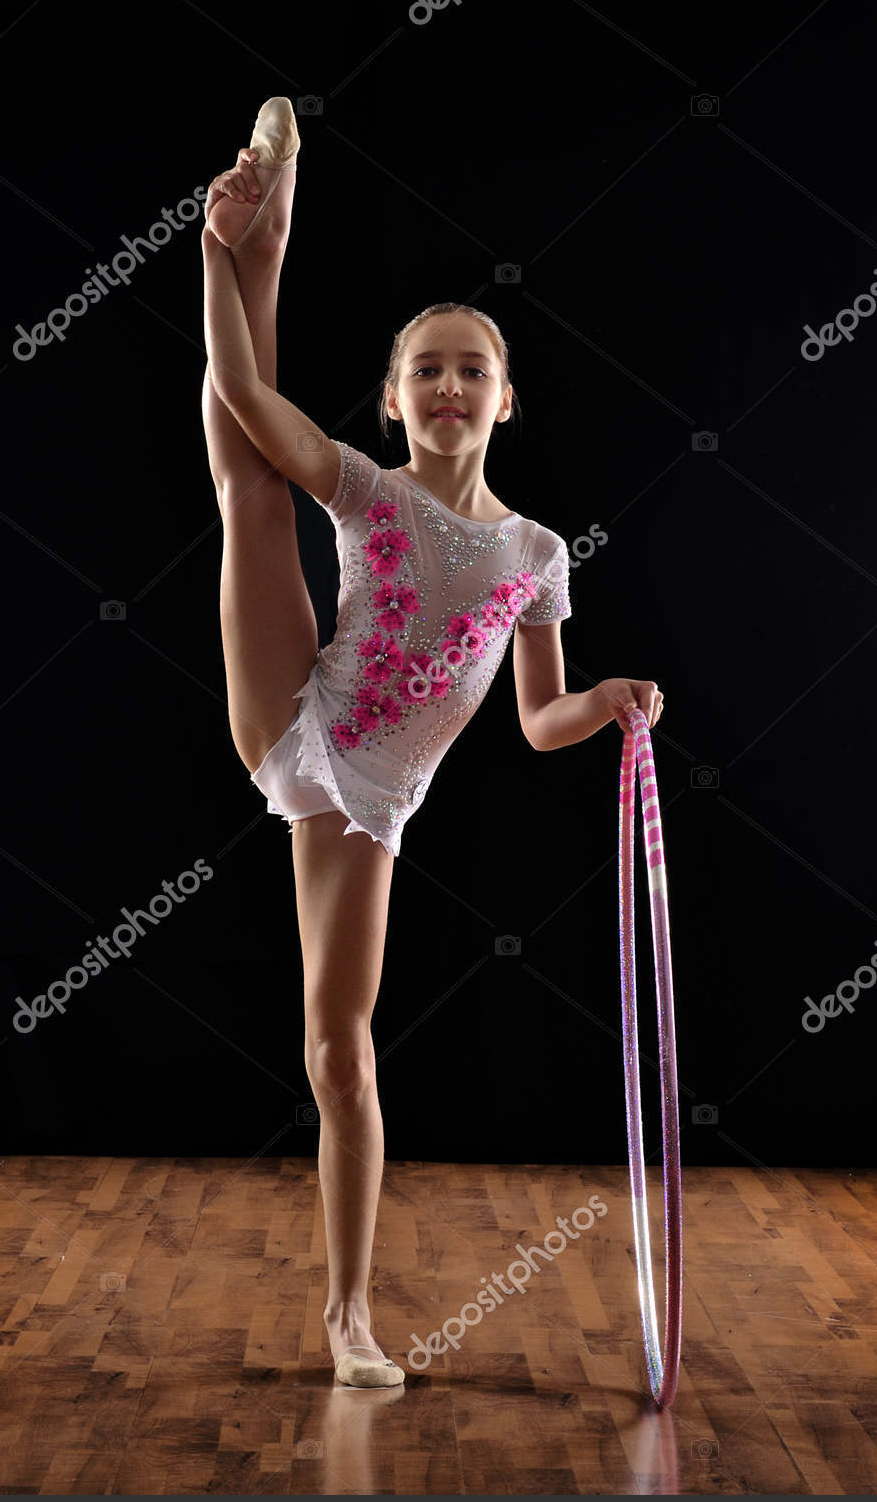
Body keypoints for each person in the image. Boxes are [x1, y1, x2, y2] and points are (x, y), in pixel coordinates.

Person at [200, 99, 663, 1389]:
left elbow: (534, 720)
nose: (449, 386)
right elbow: (243, 392)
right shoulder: (367, 486)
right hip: (299, 710)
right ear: (397, 400)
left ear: (507, 402)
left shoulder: (536, 556)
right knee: (248, 480)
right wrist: (216, 256)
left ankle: (348, 1313)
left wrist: (611, 699)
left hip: (372, 799)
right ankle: (268, 232)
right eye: (426, 370)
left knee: (338, 1049)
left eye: (472, 370)